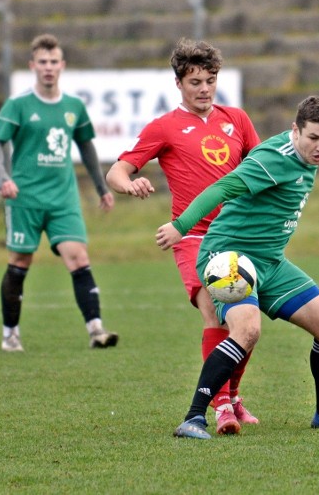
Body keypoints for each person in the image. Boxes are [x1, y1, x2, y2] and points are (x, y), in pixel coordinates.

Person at [155, 95, 319, 439]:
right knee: (247, 330)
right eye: (313, 138)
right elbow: (223, 187)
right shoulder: (274, 158)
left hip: (270, 262)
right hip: (229, 257)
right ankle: (193, 418)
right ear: (295, 130)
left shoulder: (306, 158)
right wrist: (180, 226)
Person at [106, 39, 262, 435]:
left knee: (246, 324)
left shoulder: (237, 119)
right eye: (195, 82)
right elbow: (117, 172)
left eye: (210, 80)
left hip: (235, 237)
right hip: (192, 238)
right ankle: (221, 406)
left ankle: (234, 395)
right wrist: (130, 185)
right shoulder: (164, 127)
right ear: (179, 83)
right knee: (215, 311)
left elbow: (260, 171)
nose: (205, 89)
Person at [0, 33, 118, 352]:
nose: (48, 68)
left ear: (62, 65)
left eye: (53, 62)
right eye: (42, 62)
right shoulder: (18, 105)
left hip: (63, 199)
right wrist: (3, 177)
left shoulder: (73, 106)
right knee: (20, 261)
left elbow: (86, 148)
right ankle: (10, 333)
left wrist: (102, 188)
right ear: (33, 65)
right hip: (25, 198)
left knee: (79, 257)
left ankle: (96, 330)